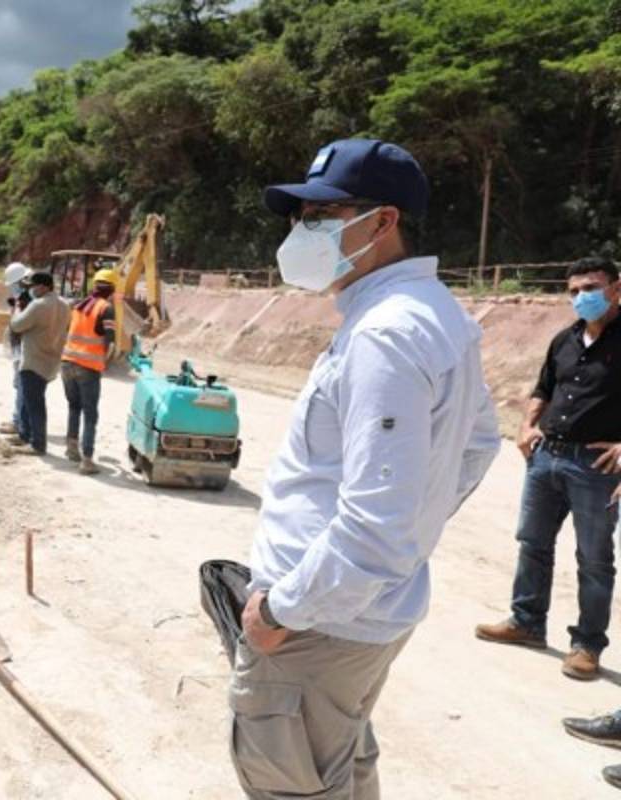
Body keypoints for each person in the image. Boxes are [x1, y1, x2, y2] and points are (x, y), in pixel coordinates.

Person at [230, 139, 501, 799]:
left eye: (323, 215)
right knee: (340, 768)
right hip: (358, 613)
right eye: (299, 217)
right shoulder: (435, 317)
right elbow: (478, 444)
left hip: (317, 625)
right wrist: (407, 534)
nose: (302, 230)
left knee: (289, 783)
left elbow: (378, 521)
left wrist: (283, 609)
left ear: (384, 222)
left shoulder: (385, 332)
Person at [475, 255, 621, 681]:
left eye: (591, 288)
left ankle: (587, 645)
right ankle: (526, 622)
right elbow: (543, 388)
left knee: (594, 558)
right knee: (532, 543)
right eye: (574, 291)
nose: (582, 297)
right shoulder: (564, 340)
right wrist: (526, 425)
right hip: (547, 458)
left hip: (596, 466)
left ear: (615, 287)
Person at [60, 268, 118, 475]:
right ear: (112, 289)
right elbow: (110, 344)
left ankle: (71, 447)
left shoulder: (78, 306)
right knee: (90, 414)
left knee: (74, 407)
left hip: (67, 363)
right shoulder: (106, 308)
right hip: (88, 367)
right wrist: (107, 363)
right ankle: (86, 459)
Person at [8, 271, 70, 455]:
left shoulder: (38, 305)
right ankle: (24, 435)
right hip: (50, 359)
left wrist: (17, 309)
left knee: (34, 404)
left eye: (33, 286)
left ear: (44, 286)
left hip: (33, 359)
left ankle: (37, 443)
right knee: (30, 400)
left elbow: (17, 325)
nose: (31, 290)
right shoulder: (64, 305)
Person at [0, 262, 31, 435]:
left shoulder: (27, 300)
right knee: (20, 386)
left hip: (24, 349)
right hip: (20, 348)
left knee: (22, 386)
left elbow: (21, 325)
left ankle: (19, 423)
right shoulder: (23, 300)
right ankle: (18, 420)